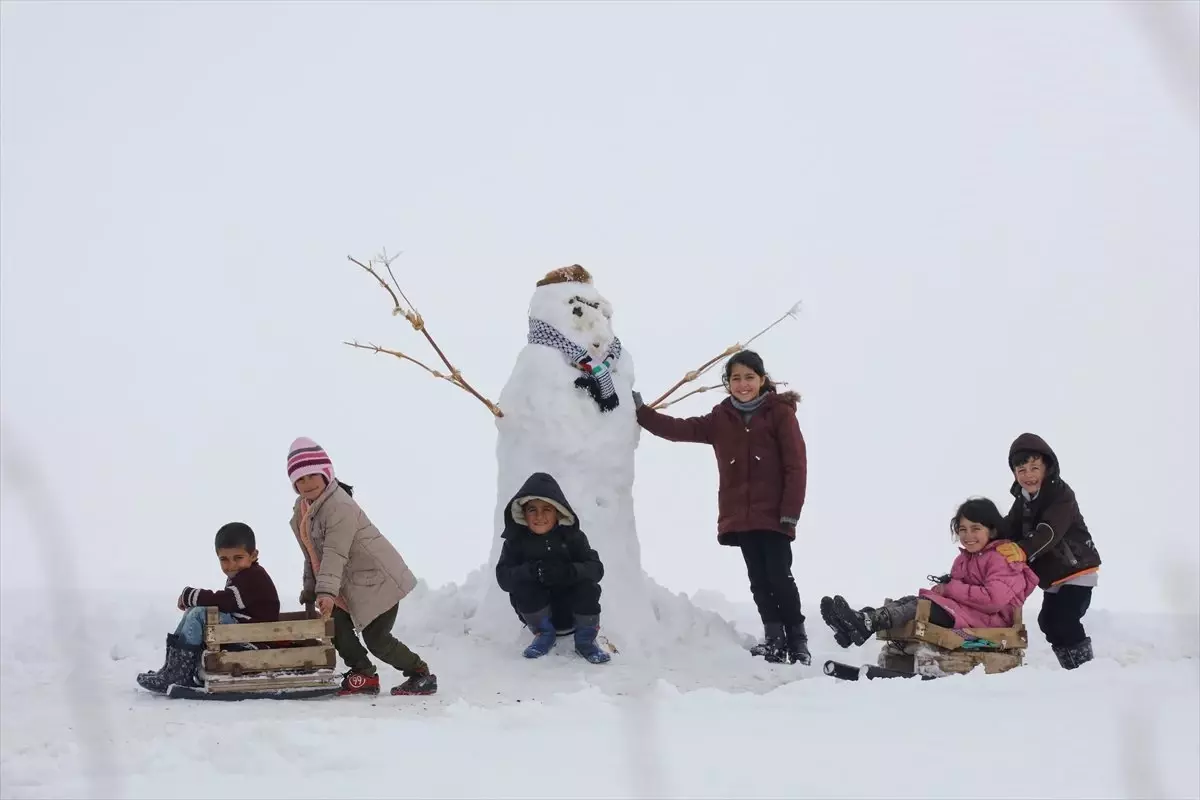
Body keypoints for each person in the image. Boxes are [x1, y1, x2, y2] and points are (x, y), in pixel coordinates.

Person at [633, 350, 810, 665]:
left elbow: (796, 465)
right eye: (736, 378)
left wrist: (790, 510)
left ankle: (797, 641)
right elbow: (679, 429)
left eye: (749, 378)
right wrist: (641, 412)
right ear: (727, 383)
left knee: (779, 576)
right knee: (758, 578)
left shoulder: (779, 413)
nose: (743, 384)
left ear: (762, 380)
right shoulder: (721, 418)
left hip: (775, 513)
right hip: (740, 516)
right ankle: (774, 639)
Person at [287, 436, 437, 696]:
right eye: (299, 479)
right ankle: (363, 673)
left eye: (312, 476)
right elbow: (311, 554)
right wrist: (312, 588)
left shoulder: (339, 507)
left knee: (377, 640)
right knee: (333, 624)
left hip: (377, 581)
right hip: (347, 584)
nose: (306, 483)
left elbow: (334, 553)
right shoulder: (304, 510)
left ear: (326, 474)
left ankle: (420, 673)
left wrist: (325, 592)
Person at [820, 498, 1038, 648]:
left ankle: (864, 624)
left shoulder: (1003, 558)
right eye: (962, 530)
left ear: (992, 530)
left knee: (919, 607)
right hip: (966, 614)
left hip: (990, 623)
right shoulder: (964, 560)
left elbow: (993, 600)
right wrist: (942, 590)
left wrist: (949, 589)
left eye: (975, 528)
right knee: (913, 601)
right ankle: (860, 622)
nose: (968, 535)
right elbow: (956, 591)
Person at [136, 522, 280, 693]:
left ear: (253, 555)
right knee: (193, 611)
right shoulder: (244, 574)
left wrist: (191, 595)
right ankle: (172, 669)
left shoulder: (254, 577)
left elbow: (227, 601)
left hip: (254, 638)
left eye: (238, 558)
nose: (231, 565)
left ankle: (179, 673)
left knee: (198, 613)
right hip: (244, 629)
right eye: (224, 559)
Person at [1002, 433, 1101, 669]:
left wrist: (1022, 550)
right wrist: (986, 534)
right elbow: (1009, 528)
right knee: (1047, 621)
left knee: (1064, 620)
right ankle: (1071, 667)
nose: (1029, 475)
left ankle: (1085, 669)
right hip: (1053, 575)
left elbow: (1048, 531)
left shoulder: (1061, 495)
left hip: (1076, 570)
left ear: (1048, 467)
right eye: (1022, 470)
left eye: (1035, 468)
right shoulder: (1023, 500)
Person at [495, 471, 610, 664]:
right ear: (523, 513)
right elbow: (503, 578)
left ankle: (585, 641)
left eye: (547, 509)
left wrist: (568, 572)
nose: (539, 516)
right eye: (532, 509)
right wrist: (531, 571)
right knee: (522, 586)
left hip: (573, 615)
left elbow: (596, 569)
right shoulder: (515, 542)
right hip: (538, 615)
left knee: (587, 586)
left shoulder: (573, 537)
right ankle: (543, 636)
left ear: (558, 511)